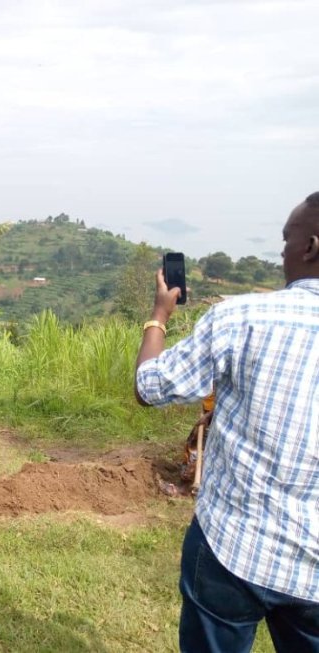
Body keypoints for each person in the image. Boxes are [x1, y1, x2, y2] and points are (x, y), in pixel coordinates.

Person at [134, 193, 319, 652]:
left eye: (286, 239)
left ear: (311, 246)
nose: (281, 251)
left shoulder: (245, 316)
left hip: (232, 548)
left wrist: (158, 316)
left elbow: (149, 387)